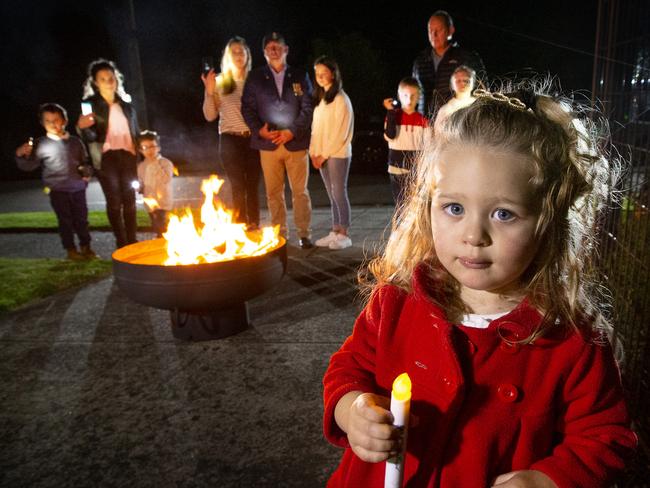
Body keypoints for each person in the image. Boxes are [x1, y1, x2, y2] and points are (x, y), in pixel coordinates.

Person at [323, 82, 637, 487]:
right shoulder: (396, 302)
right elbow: (350, 368)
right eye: (454, 208)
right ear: (427, 204)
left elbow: (605, 437)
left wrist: (547, 480)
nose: (474, 235)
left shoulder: (572, 341)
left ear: (549, 221)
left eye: (504, 214)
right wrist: (351, 410)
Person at [241, 32, 314, 249]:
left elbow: (308, 107)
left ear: (286, 50)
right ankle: (280, 234)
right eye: (269, 47)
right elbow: (247, 108)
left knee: (300, 192)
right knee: (273, 193)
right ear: (264, 53)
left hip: (295, 142)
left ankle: (304, 233)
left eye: (278, 46)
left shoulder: (300, 76)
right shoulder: (255, 78)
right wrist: (259, 130)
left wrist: (292, 131)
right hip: (268, 144)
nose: (274, 50)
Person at [15, 103, 97, 261]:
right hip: (57, 190)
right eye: (48, 121)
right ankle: (71, 250)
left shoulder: (75, 142)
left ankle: (86, 247)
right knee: (65, 221)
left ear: (64, 121)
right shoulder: (40, 144)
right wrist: (20, 155)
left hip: (78, 188)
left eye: (56, 119)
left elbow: (85, 161)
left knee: (82, 220)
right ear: (42, 123)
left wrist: (86, 175)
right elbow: (29, 165)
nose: (53, 124)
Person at [77, 58, 140, 249]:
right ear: (96, 83)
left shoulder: (126, 103)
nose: (108, 81)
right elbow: (89, 137)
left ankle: (132, 240)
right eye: (103, 79)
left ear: (116, 78)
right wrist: (82, 127)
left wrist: (142, 151)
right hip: (106, 158)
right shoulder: (89, 104)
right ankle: (121, 242)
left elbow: (135, 131)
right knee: (114, 201)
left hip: (128, 155)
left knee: (130, 200)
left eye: (111, 77)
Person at [202, 36, 261, 230]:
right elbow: (210, 115)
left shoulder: (256, 80)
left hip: (253, 139)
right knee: (238, 186)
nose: (238, 55)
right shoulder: (220, 81)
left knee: (252, 185)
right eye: (234, 52)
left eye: (241, 51)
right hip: (230, 140)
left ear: (247, 55)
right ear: (227, 56)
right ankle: (240, 226)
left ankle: (254, 224)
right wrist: (209, 92)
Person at [309, 56, 354, 250]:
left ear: (333, 74)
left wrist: (323, 154)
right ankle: (334, 230)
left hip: (337, 154)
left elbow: (340, 133)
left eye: (324, 72)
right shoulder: (321, 100)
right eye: (317, 73)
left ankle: (344, 233)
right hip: (321, 155)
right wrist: (313, 152)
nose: (320, 76)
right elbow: (316, 129)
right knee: (331, 193)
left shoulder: (341, 99)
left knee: (339, 191)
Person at [412, 10, 485, 116]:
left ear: (450, 30)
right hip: (424, 122)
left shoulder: (467, 57)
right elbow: (413, 92)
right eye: (430, 30)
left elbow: (483, 91)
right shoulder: (420, 61)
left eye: (439, 29)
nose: (434, 34)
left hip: (455, 121)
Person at [382, 77, 428, 208]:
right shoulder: (393, 116)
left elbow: (428, 145)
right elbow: (390, 136)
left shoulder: (422, 120)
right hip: (396, 168)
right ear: (399, 96)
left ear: (419, 97)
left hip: (415, 170)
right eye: (405, 95)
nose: (409, 99)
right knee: (401, 204)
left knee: (415, 205)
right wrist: (391, 112)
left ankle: (414, 228)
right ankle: (400, 228)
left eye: (413, 95)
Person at [136, 130, 174, 237]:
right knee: (155, 226)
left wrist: (155, 164)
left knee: (163, 226)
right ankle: (159, 241)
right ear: (140, 150)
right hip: (150, 203)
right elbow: (141, 182)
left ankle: (163, 243)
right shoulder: (141, 166)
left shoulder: (166, 163)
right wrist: (139, 187)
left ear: (158, 147)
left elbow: (166, 179)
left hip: (163, 203)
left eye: (152, 146)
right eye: (145, 147)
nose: (149, 150)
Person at [433, 65, 477, 133]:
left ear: (473, 83)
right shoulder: (445, 110)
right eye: (458, 81)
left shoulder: (478, 105)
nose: (462, 83)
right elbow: (438, 133)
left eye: (466, 80)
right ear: (452, 84)